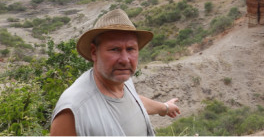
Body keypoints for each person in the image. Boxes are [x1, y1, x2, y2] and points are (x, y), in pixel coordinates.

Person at [50, 9, 180, 136]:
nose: (124, 60)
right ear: (94, 52)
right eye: (114, 49)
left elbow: (133, 103)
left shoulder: (123, 81)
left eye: (130, 49)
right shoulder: (73, 111)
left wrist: (165, 108)